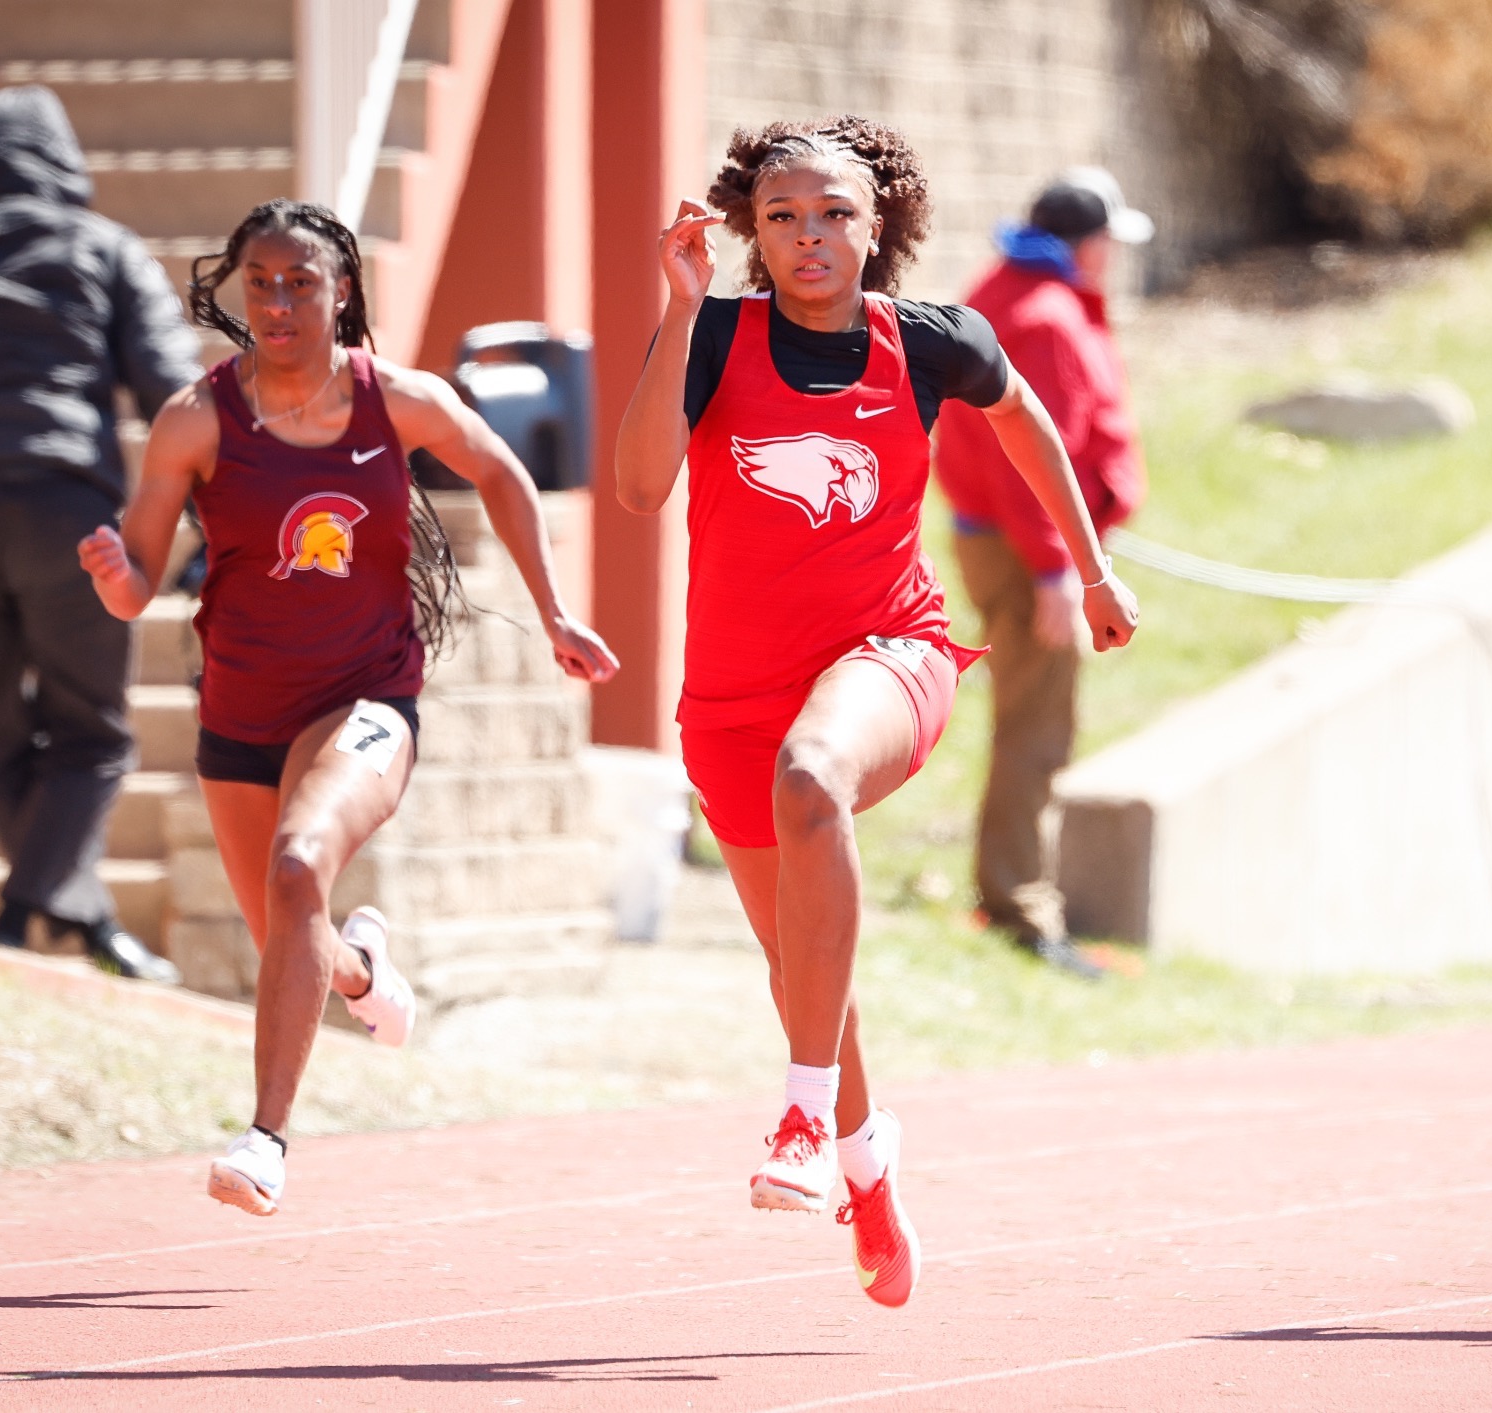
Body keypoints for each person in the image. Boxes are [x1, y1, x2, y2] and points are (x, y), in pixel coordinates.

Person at [615, 116, 1139, 1308]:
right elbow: (641, 489)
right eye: (784, 217)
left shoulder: (934, 340)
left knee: (814, 778)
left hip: (885, 652)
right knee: (798, 961)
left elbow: (1028, 428)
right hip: (729, 696)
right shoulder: (715, 336)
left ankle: (798, 1119)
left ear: (879, 223)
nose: (810, 238)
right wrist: (681, 309)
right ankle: (862, 1161)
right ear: (751, 226)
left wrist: (1091, 569)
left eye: (836, 215)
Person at [78, 198, 618, 1217]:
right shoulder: (196, 420)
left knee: (298, 865)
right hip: (240, 709)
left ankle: (264, 1139)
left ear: (342, 292)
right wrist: (112, 571)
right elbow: (137, 581)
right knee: (295, 936)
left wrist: (553, 612)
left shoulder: (395, 401)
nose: (278, 301)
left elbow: (499, 472)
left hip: (365, 694)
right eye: (262, 283)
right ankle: (364, 971)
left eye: (300, 282)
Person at [0, 87, 201, 980]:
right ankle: (19, 921)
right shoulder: (103, 251)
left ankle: (77, 916)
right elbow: (174, 390)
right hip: (63, 516)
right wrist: (218, 508)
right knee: (95, 738)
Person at [933, 168, 1150, 978]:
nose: (1112, 261)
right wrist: (1062, 568)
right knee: (1037, 729)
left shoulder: (1008, 290)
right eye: (1107, 245)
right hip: (1032, 552)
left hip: (1016, 543)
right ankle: (1023, 909)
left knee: (1032, 722)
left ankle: (1013, 893)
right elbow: (1031, 452)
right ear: (1083, 245)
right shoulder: (1047, 316)